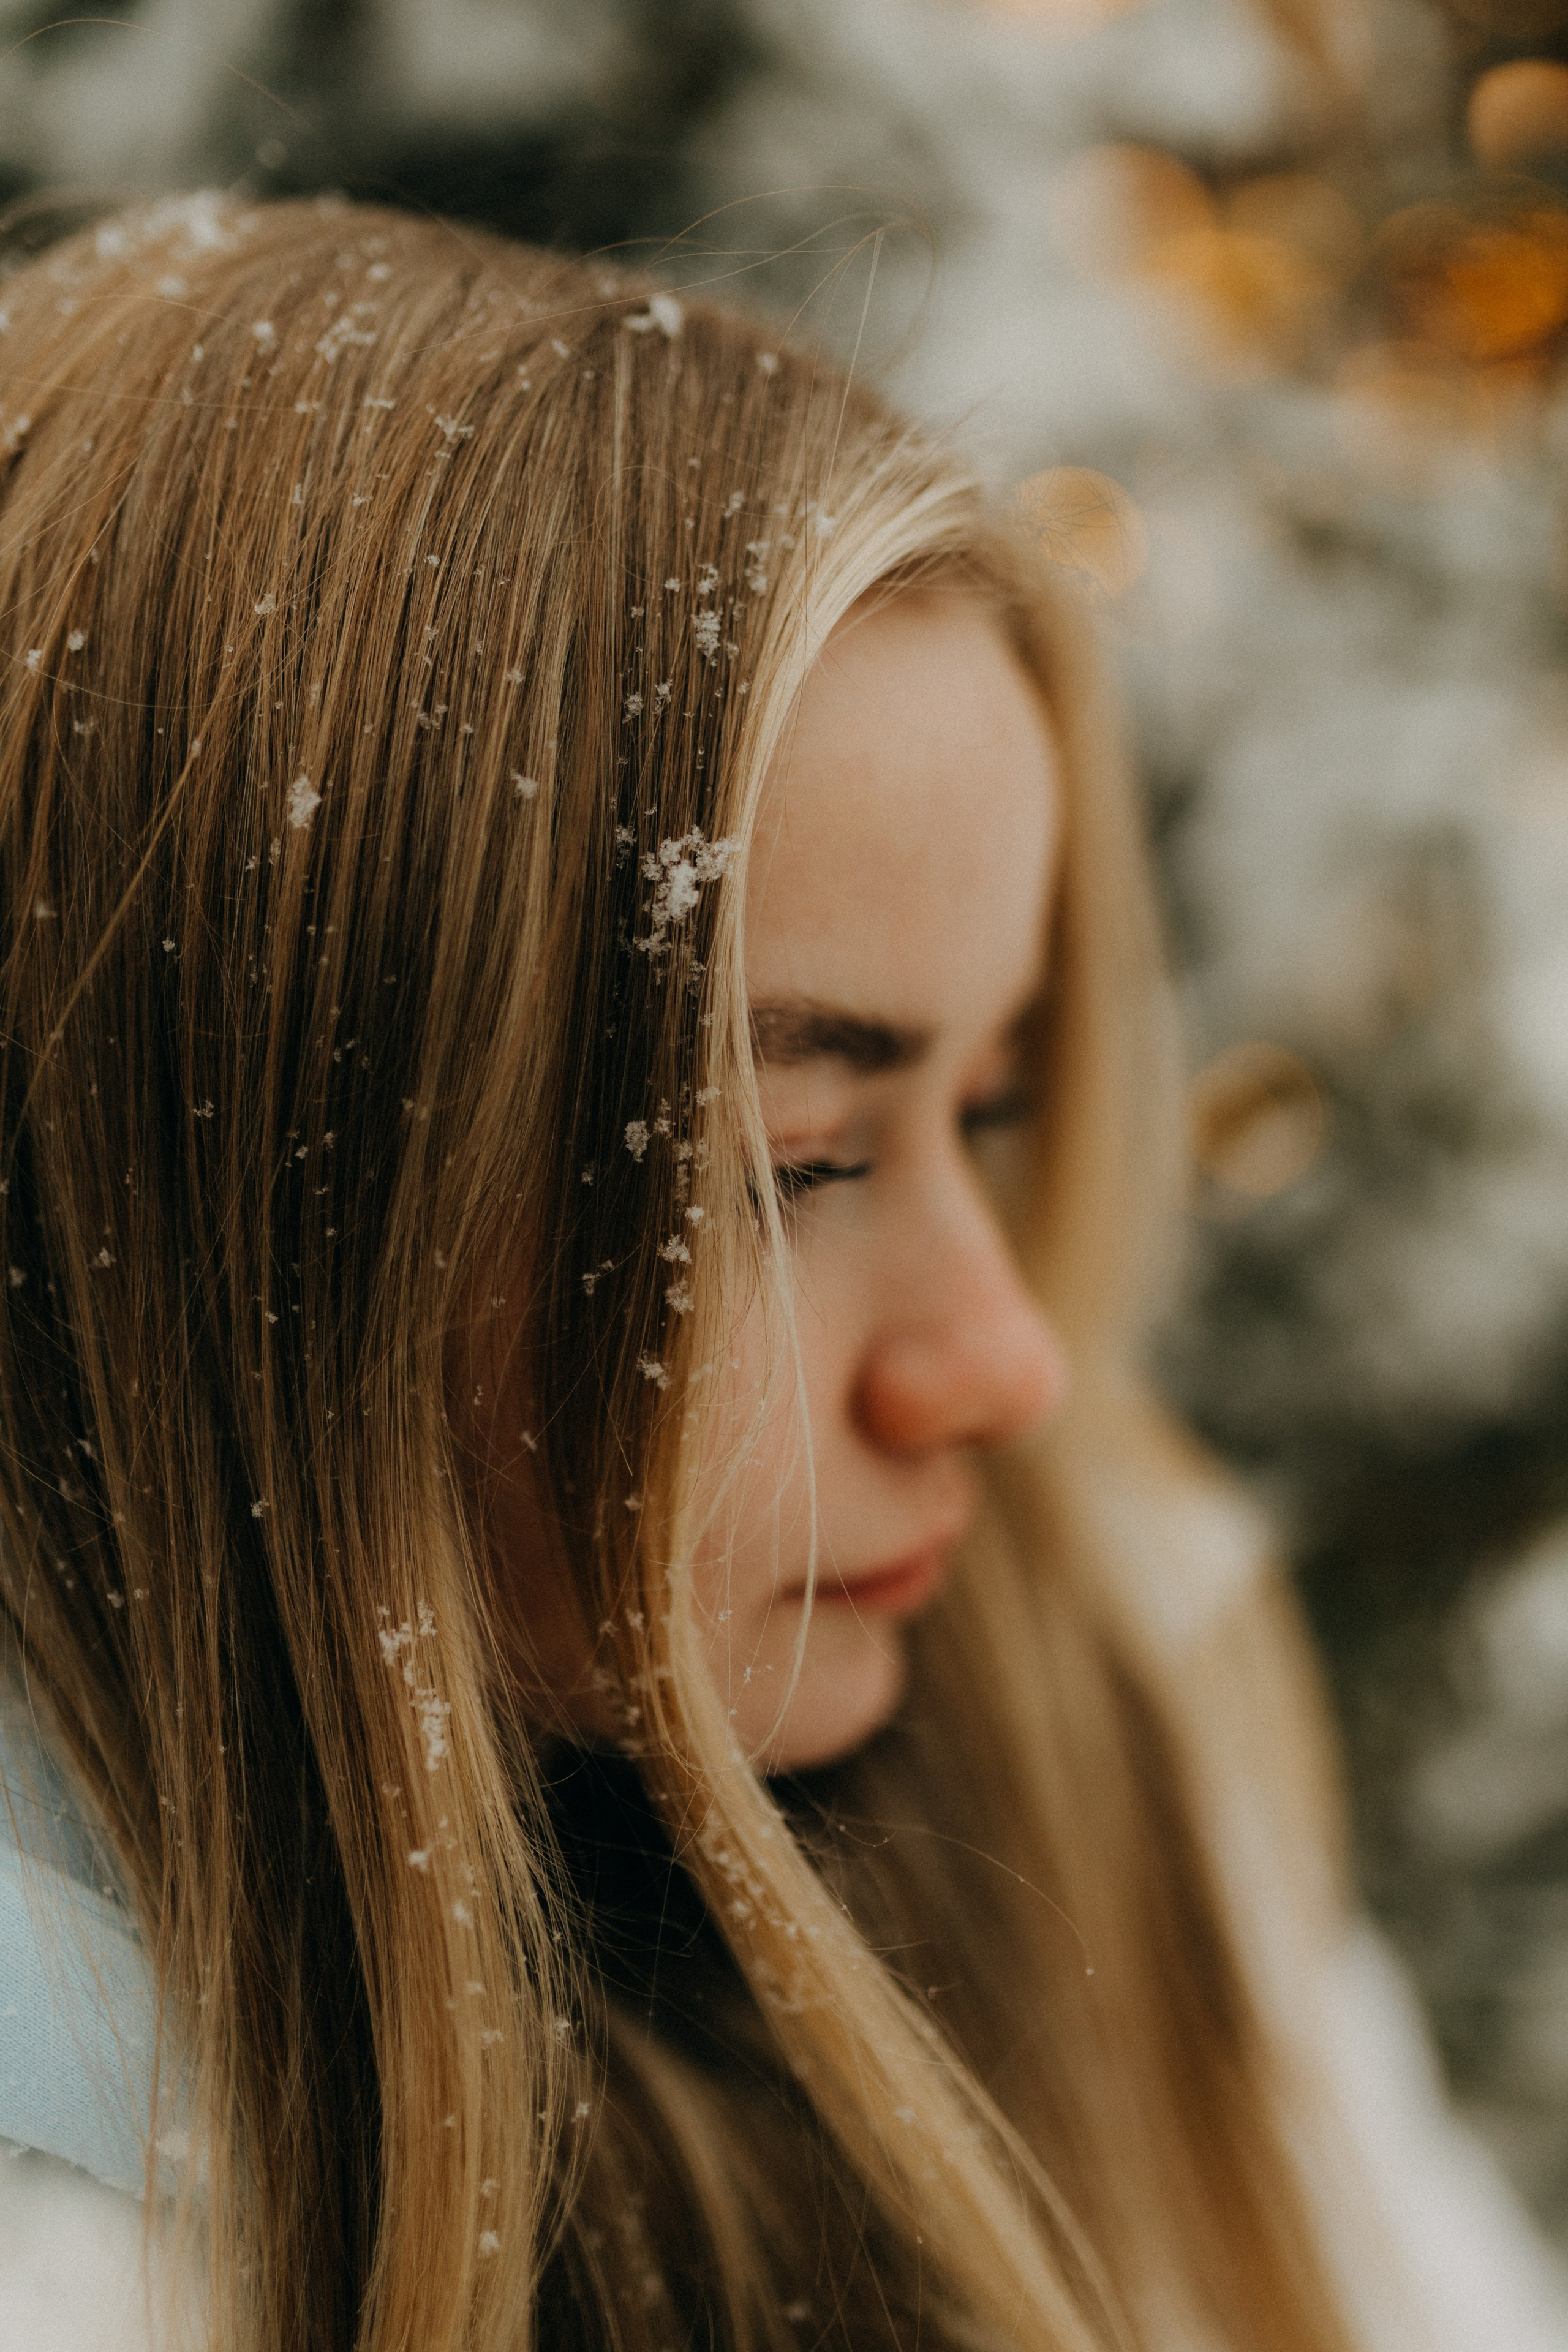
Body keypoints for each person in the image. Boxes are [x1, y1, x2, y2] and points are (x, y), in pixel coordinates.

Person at [0, 193, 1561, 2352]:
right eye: (789, 1158)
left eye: (990, 1109)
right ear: (216, 1199)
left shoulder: (1092, 1719)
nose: (1001, 1362)